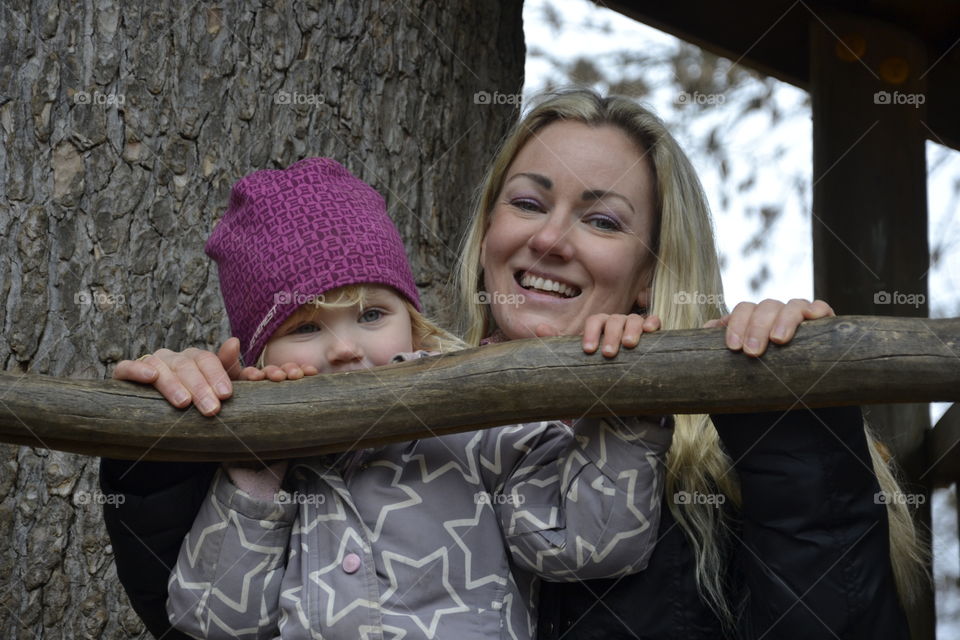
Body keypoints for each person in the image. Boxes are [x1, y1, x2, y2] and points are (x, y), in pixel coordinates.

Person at [102, 90, 922, 639]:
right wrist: (174, 449)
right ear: (489, 230)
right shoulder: (390, 417)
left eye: (601, 220)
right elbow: (202, 619)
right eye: (528, 202)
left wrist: (786, 406)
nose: (551, 239)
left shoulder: (712, 454)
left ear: (650, 271)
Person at [151, 156, 674, 639]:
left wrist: (624, 416)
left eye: (372, 315)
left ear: (415, 327)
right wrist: (256, 472)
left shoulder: (477, 420)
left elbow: (583, 548)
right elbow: (212, 620)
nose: (346, 349)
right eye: (307, 326)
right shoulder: (280, 467)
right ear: (261, 357)